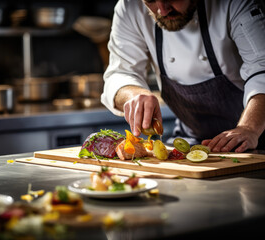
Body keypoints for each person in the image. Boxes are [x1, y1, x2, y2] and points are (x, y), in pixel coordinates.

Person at [101, 0, 265, 153]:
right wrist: (134, 94)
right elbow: (120, 73)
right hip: (192, 142)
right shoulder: (130, 7)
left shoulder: (233, 3)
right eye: (150, 0)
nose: (162, 10)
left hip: (258, 139)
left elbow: (262, 68)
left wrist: (249, 128)